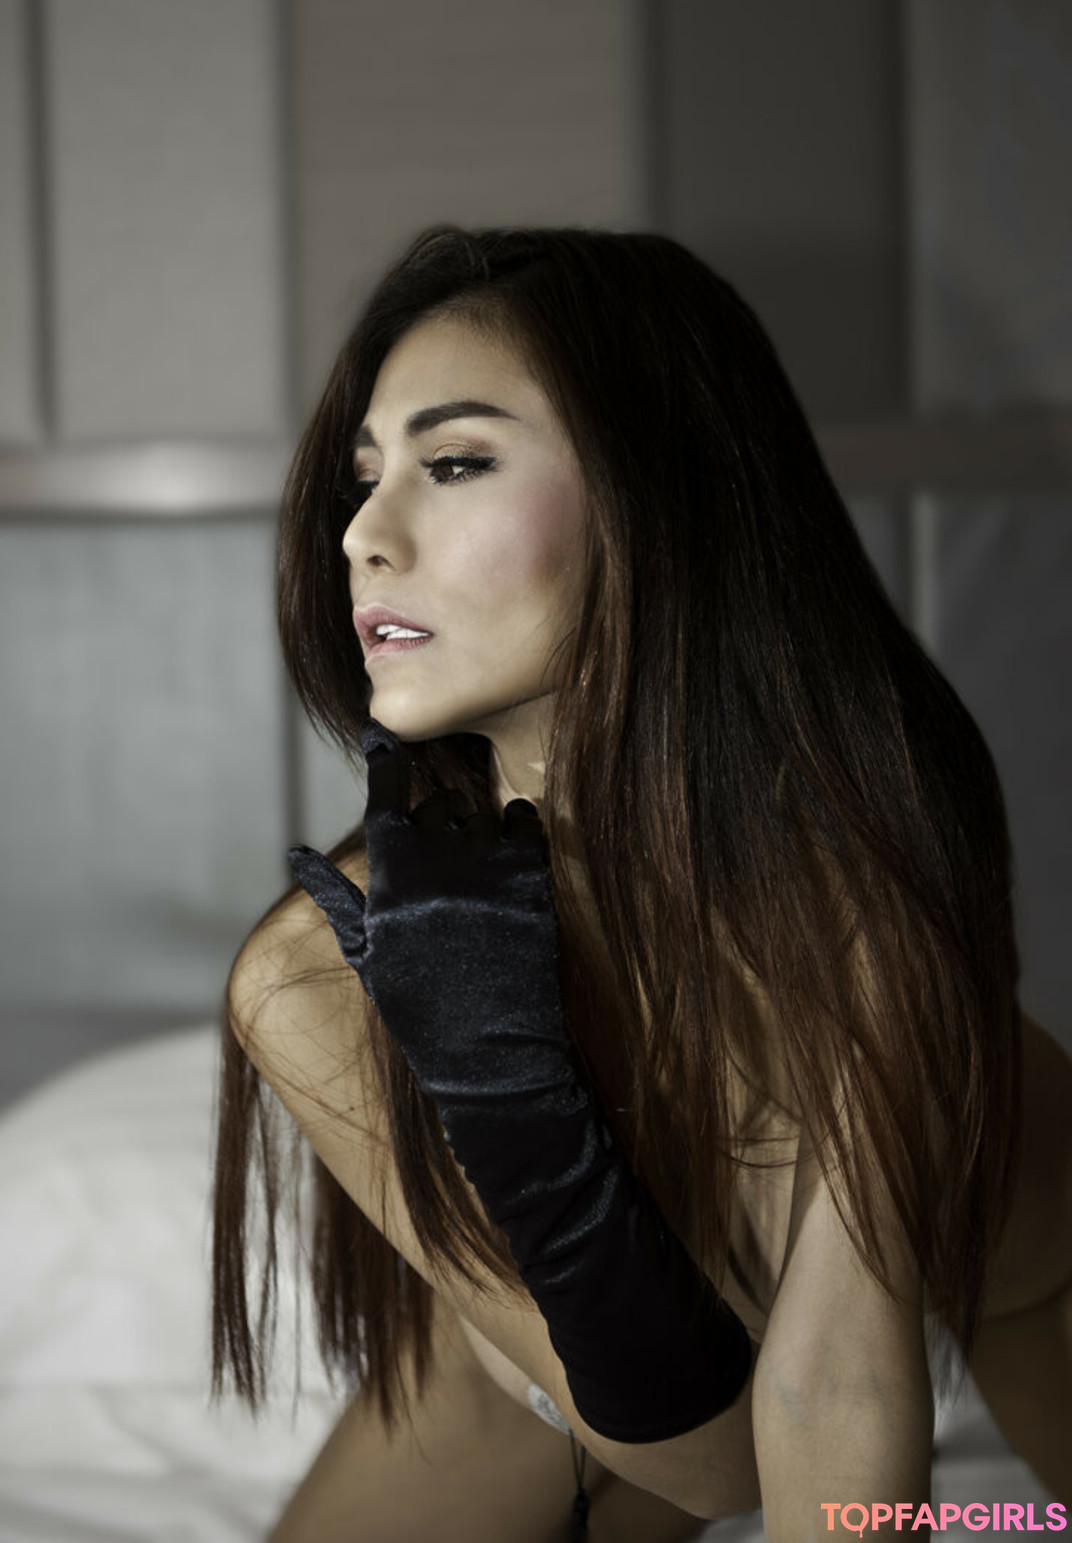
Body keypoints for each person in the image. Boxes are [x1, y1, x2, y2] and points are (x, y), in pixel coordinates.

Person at [211, 224, 1072, 1541]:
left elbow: (823, 1402)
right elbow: (712, 1471)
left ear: (653, 494)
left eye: (455, 463)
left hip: (1023, 1275)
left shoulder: (859, 870)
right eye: (363, 479)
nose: (363, 536)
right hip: (579, 1368)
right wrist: (509, 1115)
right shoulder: (315, 970)